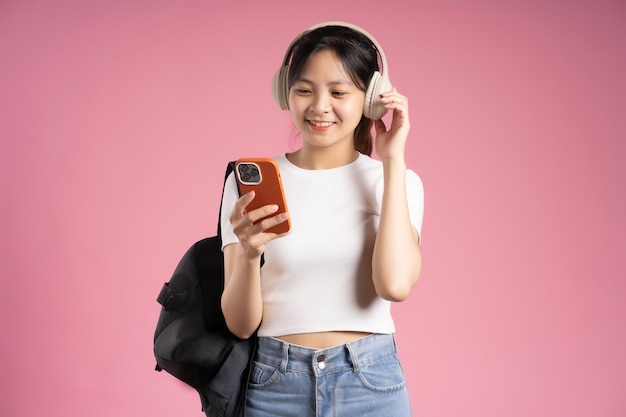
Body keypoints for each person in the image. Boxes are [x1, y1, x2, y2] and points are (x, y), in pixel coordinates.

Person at [219, 21, 424, 417]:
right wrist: (247, 253)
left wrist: (392, 160)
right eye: (304, 90)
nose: (319, 106)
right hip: (274, 383)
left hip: (369, 382)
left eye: (339, 92)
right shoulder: (249, 181)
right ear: (285, 93)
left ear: (371, 99)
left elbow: (395, 285)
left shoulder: (397, 181)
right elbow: (241, 326)